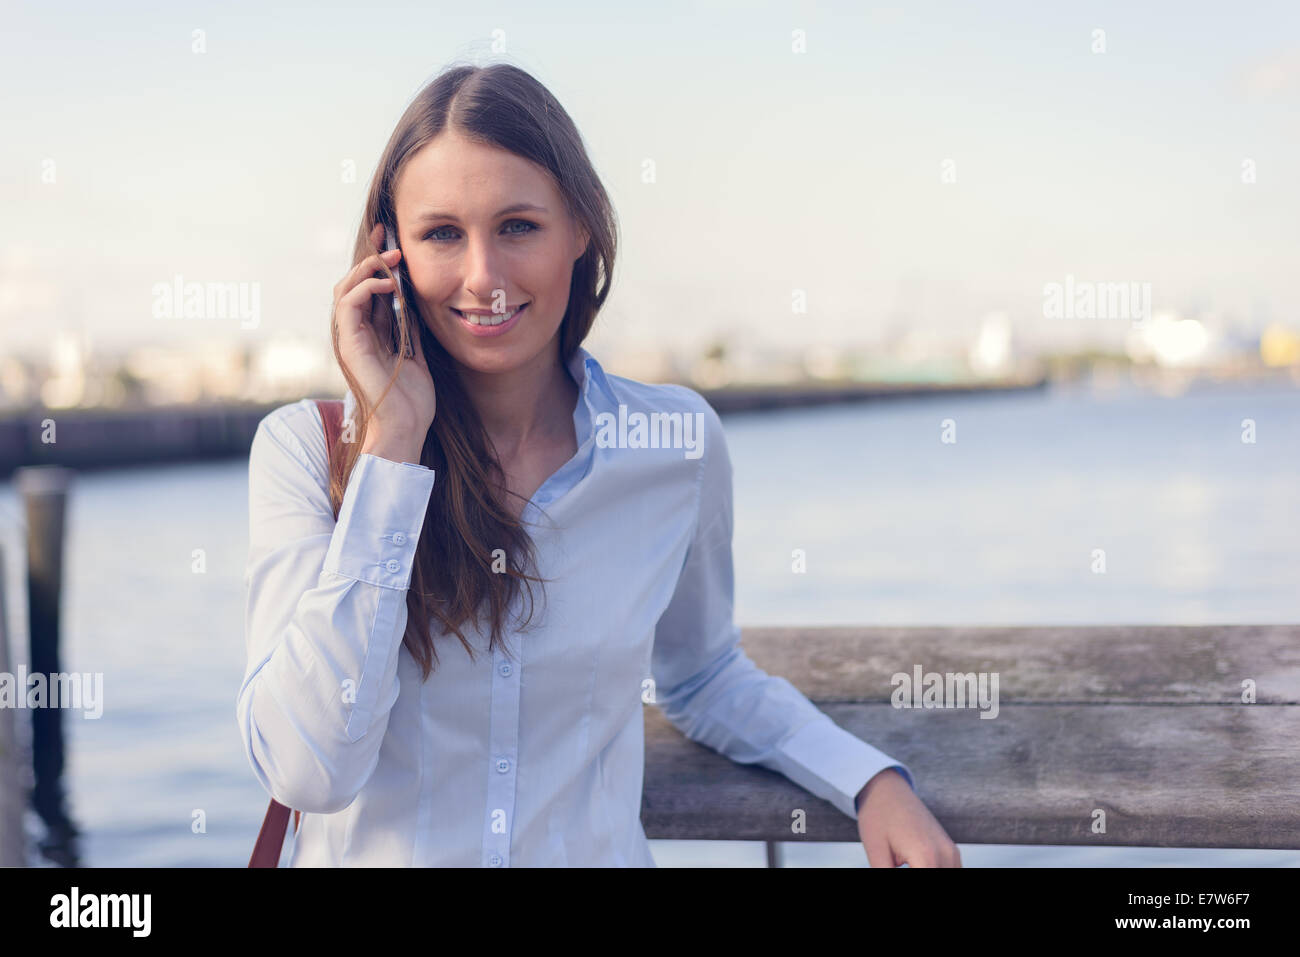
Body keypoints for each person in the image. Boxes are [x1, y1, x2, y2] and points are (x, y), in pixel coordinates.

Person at [237, 62, 959, 867]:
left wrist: (868, 781)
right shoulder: (306, 453)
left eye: (518, 226)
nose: (483, 277)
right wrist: (393, 449)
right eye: (442, 232)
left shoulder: (677, 447)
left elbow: (704, 674)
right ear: (389, 251)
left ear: (580, 228)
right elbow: (310, 770)